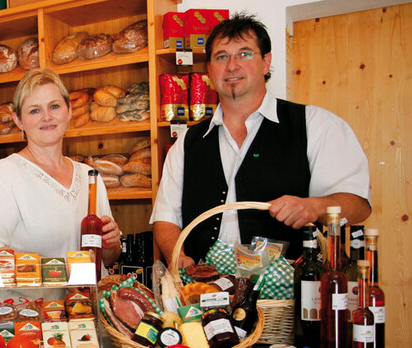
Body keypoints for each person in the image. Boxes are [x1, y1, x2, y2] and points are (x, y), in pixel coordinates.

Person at [151, 13, 371, 267]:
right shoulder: (188, 143)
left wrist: (314, 207)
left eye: (245, 54)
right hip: (205, 293)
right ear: (210, 70)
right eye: (222, 57)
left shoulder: (314, 124)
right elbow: (166, 218)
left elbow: (358, 207)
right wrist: (178, 258)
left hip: (288, 294)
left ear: (266, 62)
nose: (232, 65)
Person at [0, 69, 121, 274]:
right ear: (19, 120)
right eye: (34, 111)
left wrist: (111, 244)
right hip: (29, 306)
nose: (47, 117)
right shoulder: (4, 175)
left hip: (87, 304)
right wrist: (60, 271)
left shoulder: (89, 176)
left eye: (54, 106)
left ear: (69, 111)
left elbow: (106, 261)